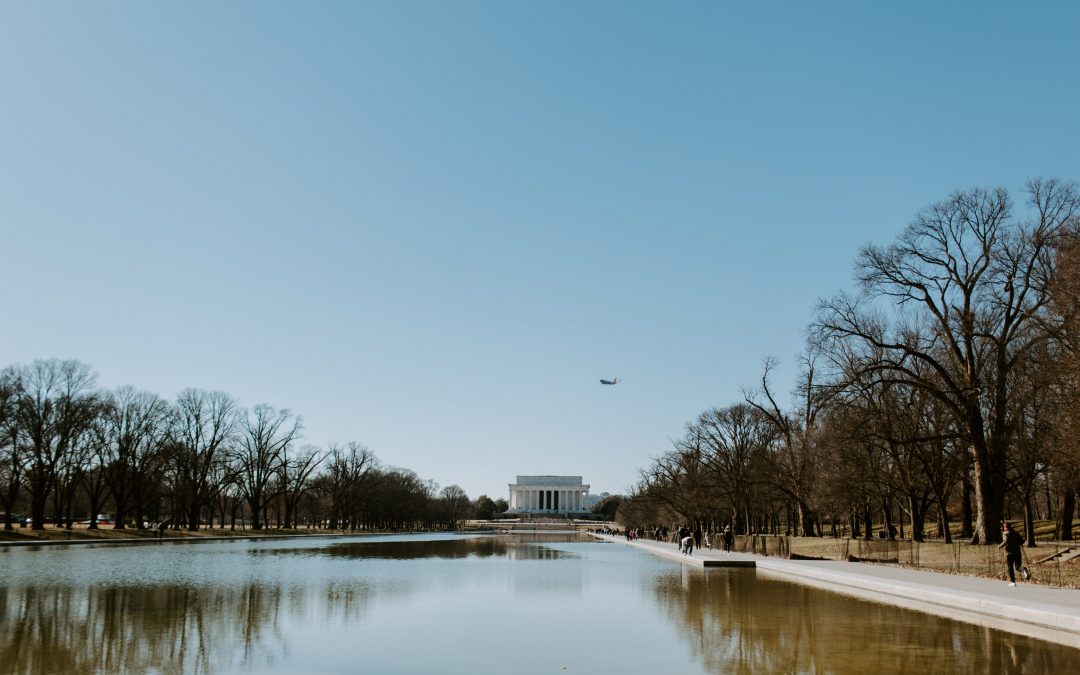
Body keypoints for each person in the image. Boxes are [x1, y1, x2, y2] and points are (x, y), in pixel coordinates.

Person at [998, 522, 1024, 586]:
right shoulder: (1016, 533)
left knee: (1010, 567)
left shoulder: (1005, 534)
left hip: (1009, 553)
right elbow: (1022, 541)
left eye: (1004, 527)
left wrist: (1000, 546)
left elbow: (1005, 541)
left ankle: (1013, 582)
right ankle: (1023, 569)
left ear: (1006, 527)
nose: (1004, 528)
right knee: (1018, 567)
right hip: (1018, 552)